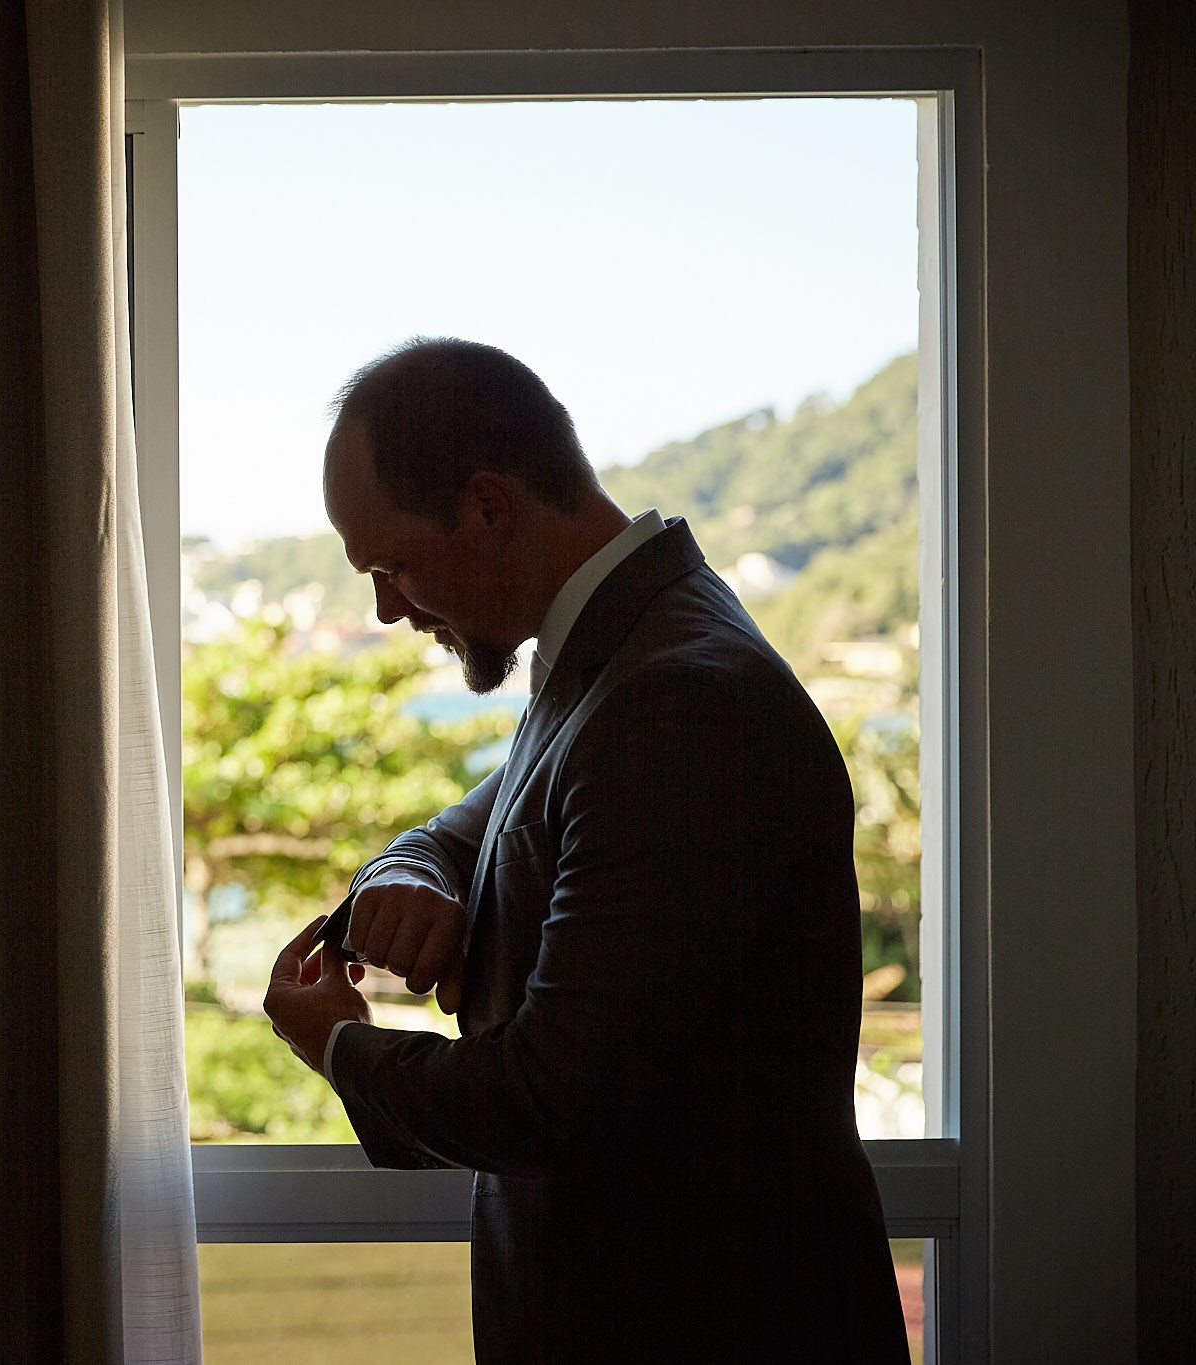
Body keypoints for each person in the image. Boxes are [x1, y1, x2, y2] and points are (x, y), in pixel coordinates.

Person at [263, 338, 909, 1362]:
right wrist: (408, 871)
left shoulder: (676, 699)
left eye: (391, 566)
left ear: (487, 506)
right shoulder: (621, 652)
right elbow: (477, 822)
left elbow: (554, 1099)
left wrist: (340, 1046)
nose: (386, 608)